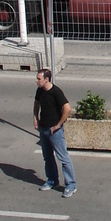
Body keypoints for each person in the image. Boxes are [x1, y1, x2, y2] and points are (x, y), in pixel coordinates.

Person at [33, 69, 76, 198]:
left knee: (63, 158)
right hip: (43, 128)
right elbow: (36, 103)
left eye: (39, 79)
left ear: (47, 79)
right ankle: (52, 180)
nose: (36, 81)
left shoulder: (56, 92)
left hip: (54, 131)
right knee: (47, 157)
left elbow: (67, 109)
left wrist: (58, 125)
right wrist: (35, 118)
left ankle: (71, 185)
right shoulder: (40, 91)